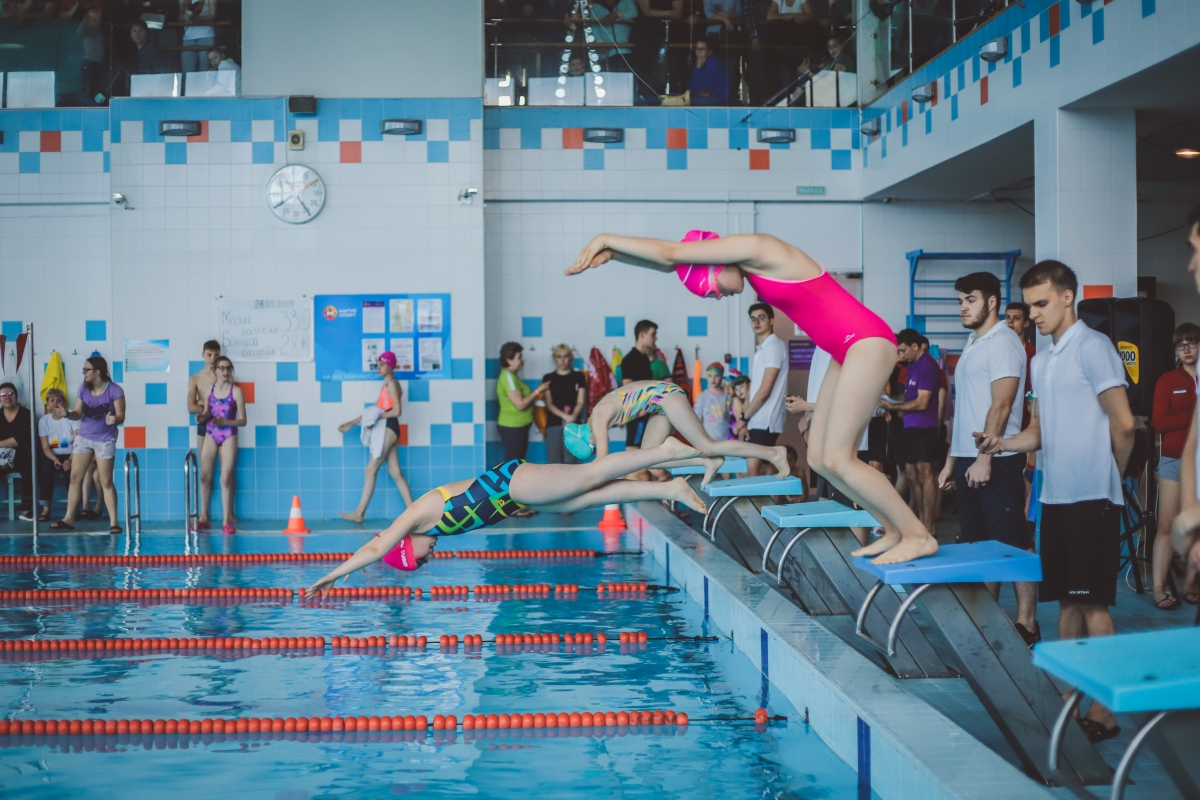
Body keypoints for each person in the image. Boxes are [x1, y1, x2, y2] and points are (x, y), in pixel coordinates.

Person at [567, 230, 934, 564]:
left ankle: (918, 535)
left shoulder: (760, 248)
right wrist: (615, 257)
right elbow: (671, 263)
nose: (715, 295)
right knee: (820, 459)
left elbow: (670, 253)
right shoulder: (752, 270)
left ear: (716, 261)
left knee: (839, 457)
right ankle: (893, 529)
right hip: (842, 349)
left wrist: (606, 239)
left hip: (866, 341)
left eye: (710, 288)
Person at [978, 260, 1134, 743]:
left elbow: (1124, 423)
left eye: (1042, 303)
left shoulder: (1094, 347)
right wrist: (1001, 443)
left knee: (1094, 604)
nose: (1035, 314)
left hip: (1092, 496)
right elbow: (1039, 431)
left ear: (1069, 297)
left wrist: (1112, 476)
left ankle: (1105, 711)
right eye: (1030, 306)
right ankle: (1068, 701)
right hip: (1056, 495)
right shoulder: (1042, 361)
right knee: (1066, 603)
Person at [306, 438, 709, 592]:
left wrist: (333, 574)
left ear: (406, 547)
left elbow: (376, 549)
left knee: (590, 476)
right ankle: (667, 488)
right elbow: (379, 550)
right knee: (586, 499)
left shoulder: (415, 517)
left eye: (422, 559)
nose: (431, 557)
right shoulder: (425, 527)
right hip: (514, 496)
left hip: (511, 484)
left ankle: (664, 453)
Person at [935, 272, 1039, 647]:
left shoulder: (1004, 342)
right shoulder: (973, 343)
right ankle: (985, 619)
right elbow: (967, 410)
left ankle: (1027, 622)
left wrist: (984, 458)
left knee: (1013, 542)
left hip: (998, 458)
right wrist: (953, 460)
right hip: (969, 457)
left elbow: (1002, 404)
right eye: (961, 301)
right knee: (978, 544)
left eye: (971, 299)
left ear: (992, 302)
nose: (963, 307)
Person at [1151, 323, 1199, 610]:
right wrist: (1194, 412)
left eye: (1192, 343)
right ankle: (1158, 588)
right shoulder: (1167, 380)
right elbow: (1160, 423)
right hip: (1173, 458)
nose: (1187, 349)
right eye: (1181, 345)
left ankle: (1190, 584)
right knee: (1167, 525)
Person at [338, 352, 416, 522]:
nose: (378, 367)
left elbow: (397, 411)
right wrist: (350, 424)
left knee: (370, 469)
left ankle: (359, 513)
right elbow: (372, 412)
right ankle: (415, 513)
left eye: (382, 364)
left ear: (390, 366)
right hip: (389, 428)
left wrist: (378, 416)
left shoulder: (392, 385)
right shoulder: (386, 385)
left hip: (389, 427)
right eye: (378, 364)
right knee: (396, 472)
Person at [52, 356, 126, 533]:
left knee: (106, 481)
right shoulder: (83, 388)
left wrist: (114, 419)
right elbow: (77, 413)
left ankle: (114, 522)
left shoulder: (115, 390)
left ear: (97, 372)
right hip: (84, 437)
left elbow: (121, 416)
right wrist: (66, 413)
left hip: (105, 439)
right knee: (75, 478)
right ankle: (69, 519)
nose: (83, 372)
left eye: (87, 369)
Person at [881, 329, 941, 534]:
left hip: (924, 427)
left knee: (925, 473)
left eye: (903, 350)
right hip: (909, 426)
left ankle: (929, 525)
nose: (901, 355)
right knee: (912, 474)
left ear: (915, 347)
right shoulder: (913, 366)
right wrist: (887, 400)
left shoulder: (928, 366)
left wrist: (893, 407)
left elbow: (922, 402)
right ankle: (921, 520)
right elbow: (908, 396)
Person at [496, 342, 549, 518]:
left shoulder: (513, 376)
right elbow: (520, 404)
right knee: (513, 470)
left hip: (517, 428)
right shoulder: (508, 377)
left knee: (517, 468)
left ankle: (516, 505)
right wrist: (538, 391)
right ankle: (511, 507)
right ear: (509, 360)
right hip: (512, 427)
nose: (523, 360)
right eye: (519, 357)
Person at [196, 357, 246, 535]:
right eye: (222, 368)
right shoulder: (208, 390)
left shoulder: (237, 392)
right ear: (216, 370)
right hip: (211, 433)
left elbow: (243, 420)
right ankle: (204, 517)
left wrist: (225, 421)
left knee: (225, 478)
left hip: (229, 434)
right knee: (204, 476)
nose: (226, 371)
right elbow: (207, 412)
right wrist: (202, 417)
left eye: (228, 368)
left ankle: (226, 521)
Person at [742, 302, 787, 474]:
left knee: (751, 471)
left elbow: (764, 392)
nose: (756, 322)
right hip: (756, 419)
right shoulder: (762, 349)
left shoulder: (773, 347)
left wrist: (744, 418)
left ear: (771, 321)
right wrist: (745, 418)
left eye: (761, 318)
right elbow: (754, 388)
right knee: (762, 471)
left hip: (765, 421)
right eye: (753, 319)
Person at [36, 388, 79, 522]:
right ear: (47, 403)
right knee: (46, 471)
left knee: (71, 474)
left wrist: (70, 459)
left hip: (72, 453)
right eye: (52, 400)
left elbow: (78, 442)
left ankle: (73, 510)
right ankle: (46, 509)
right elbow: (45, 446)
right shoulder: (44, 421)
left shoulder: (72, 417)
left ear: (64, 403)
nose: (55, 403)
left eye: (59, 400)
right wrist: (54, 459)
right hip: (52, 455)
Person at [542, 344, 588, 464]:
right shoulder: (548, 378)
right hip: (554, 423)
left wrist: (572, 417)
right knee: (554, 462)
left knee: (571, 462)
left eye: (565, 356)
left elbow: (581, 401)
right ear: (554, 358)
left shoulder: (579, 376)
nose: (562, 360)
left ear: (570, 358)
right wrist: (565, 416)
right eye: (559, 356)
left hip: (573, 423)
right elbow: (549, 404)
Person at [621, 320, 658, 448]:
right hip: (637, 414)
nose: (656, 338)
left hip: (646, 413)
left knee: (645, 451)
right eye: (653, 334)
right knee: (633, 450)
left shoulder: (644, 359)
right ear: (642, 335)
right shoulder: (630, 359)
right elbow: (628, 388)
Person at [0, 382, 33, 520]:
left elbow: (20, 439)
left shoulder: (26, 414)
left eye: (10, 394)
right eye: (3, 395)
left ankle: (25, 510)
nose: (7, 397)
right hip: (2, 457)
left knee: (30, 472)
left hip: (22, 456)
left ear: (16, 396)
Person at [187, 340, 221, 462]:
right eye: (209, 355)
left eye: (216, 355)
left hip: (221, 422)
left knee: (225, 467)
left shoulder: (225, 377)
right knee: (204, 465)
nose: (212, 359)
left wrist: (202, 402)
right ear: (203, 355)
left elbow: (227, 405)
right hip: (204, 423)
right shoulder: (195, 378)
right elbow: (191, 408)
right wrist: (212, 406)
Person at [694, 362, 731, 442]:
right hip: (709, 441)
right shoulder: (702, 397)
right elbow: (697, 421)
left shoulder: (728, 395)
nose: (713, 379)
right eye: (710, 376)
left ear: (721, 377)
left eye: (716, 376)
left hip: (726, 440)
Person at [76, 6, 105, 104]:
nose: (97, 22)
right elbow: (79, 32)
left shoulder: (99, 33)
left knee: (96, 87)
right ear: (88, 19)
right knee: (88, 87)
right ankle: (85, 106)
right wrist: (85, 21)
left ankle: (94, 105)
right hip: (89, 62)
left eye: (99, 20)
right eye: (94, 19)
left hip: (98, 63)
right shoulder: (87, 30)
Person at [178, 0, 215, 74]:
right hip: (188, 37)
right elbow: (179, 17)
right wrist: (186, 17)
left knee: (205, 72)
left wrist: (197, 18)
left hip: (206, 36)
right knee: (187, 73)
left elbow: (213, 15)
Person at [689, 37, 728, 105]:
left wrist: (698, 69)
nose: (698, 52)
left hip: (718, 97)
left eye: (702, 49)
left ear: (710, 51)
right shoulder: (701, 62)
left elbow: (699, 86)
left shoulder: (713, 63)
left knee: (689, 102)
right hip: (706, 94)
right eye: (697, 49)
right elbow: (692, 88)